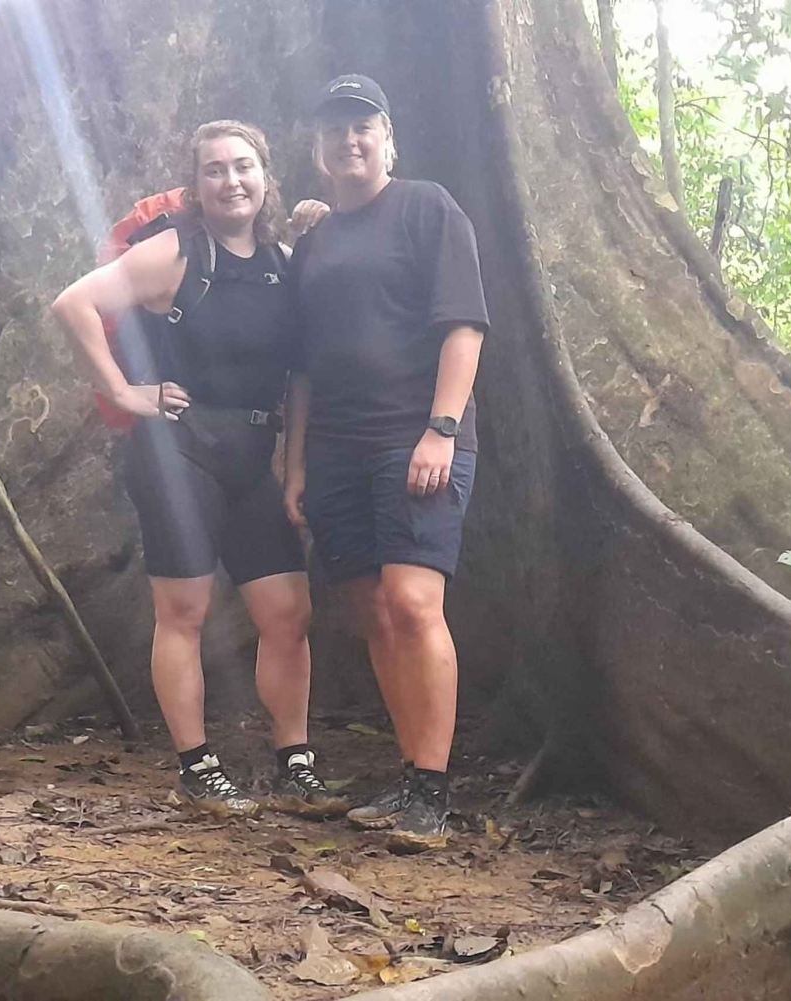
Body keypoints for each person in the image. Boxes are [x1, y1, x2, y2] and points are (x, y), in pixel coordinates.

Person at [52, 120, 347, 819]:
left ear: (266, 176)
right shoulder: (178, 251)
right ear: (196, 184)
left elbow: (301, 375)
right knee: (183, 611)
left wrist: (294, 468)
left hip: (251, 455)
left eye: (243, 166)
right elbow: (73, 304)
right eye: (214, 170)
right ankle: (198, 766)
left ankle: (295, 761)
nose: (231, 181)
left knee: (288, 613)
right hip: (177, 450)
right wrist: (126, 392)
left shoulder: (282, 260)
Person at [284, 75, 489, 851]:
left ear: (387, 139)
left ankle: (432, 790)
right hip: (336, 447)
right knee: (371, 610)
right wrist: (295, 467)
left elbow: (463, 325)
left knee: (412, 601)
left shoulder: (428, 208)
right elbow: (302, 368)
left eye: (362, 126)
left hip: (415, 435)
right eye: (335, 129)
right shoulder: (314, 242)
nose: (350, 139)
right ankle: (409, 772)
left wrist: (442, 427)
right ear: (319, 150)